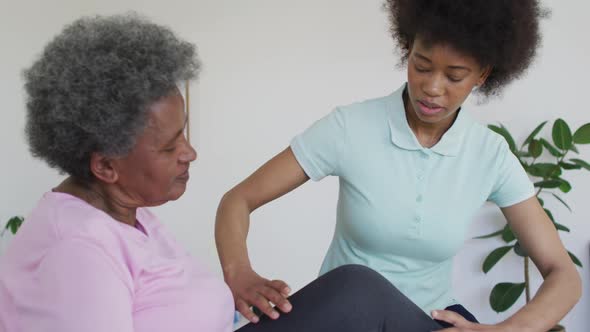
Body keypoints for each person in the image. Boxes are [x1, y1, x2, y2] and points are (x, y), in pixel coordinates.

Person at [0, 13, 448, 332]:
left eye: (185, 135)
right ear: (105, 165)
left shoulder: (126, 218)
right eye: (170, 145)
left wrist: (236, 283)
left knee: (358, 290)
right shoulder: (79, 253)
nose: (189, 153)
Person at [215, 0, 582, 331]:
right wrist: (238, 273)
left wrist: (510, 330)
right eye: (421, 67)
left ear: (482, 75)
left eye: (454, 76)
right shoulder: (350, 128)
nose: (432, 88)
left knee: (361, 284)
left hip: (429, 321)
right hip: (349, 317)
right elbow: (238, 200)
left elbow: (563, 273)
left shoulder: (489, 154)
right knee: (358, 285)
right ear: (407, 51)